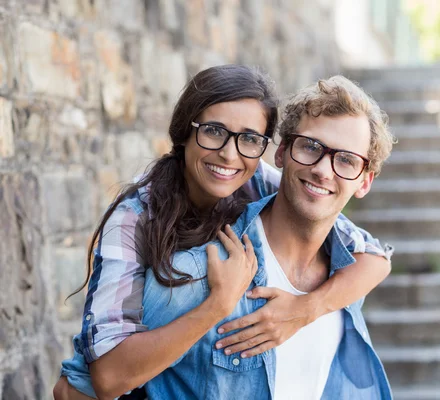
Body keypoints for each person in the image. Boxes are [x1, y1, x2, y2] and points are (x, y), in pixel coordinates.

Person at [54, 66, 392, 399]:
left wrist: (305, 309)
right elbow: (89, 383)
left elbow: (376, 257)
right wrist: (218, 305)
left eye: (248, 139)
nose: (229, 155)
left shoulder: (265, 181)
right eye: (214, 131)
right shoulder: (142, 225)